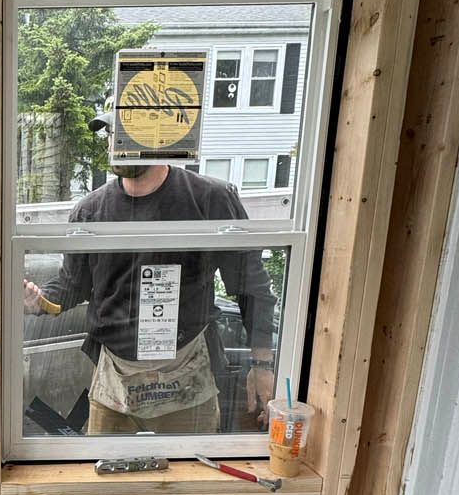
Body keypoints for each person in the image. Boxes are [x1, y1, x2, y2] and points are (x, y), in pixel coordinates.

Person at [23, 160, 277, 436]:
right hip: (116, 382)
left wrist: (261, 365)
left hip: (186, 373)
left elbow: (251, 286)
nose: (115, 147)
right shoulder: (91, 211)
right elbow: (72, 285)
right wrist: (39, 300)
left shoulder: (209, 199)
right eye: (111, 136)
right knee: (105, 473)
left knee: (187, 472)